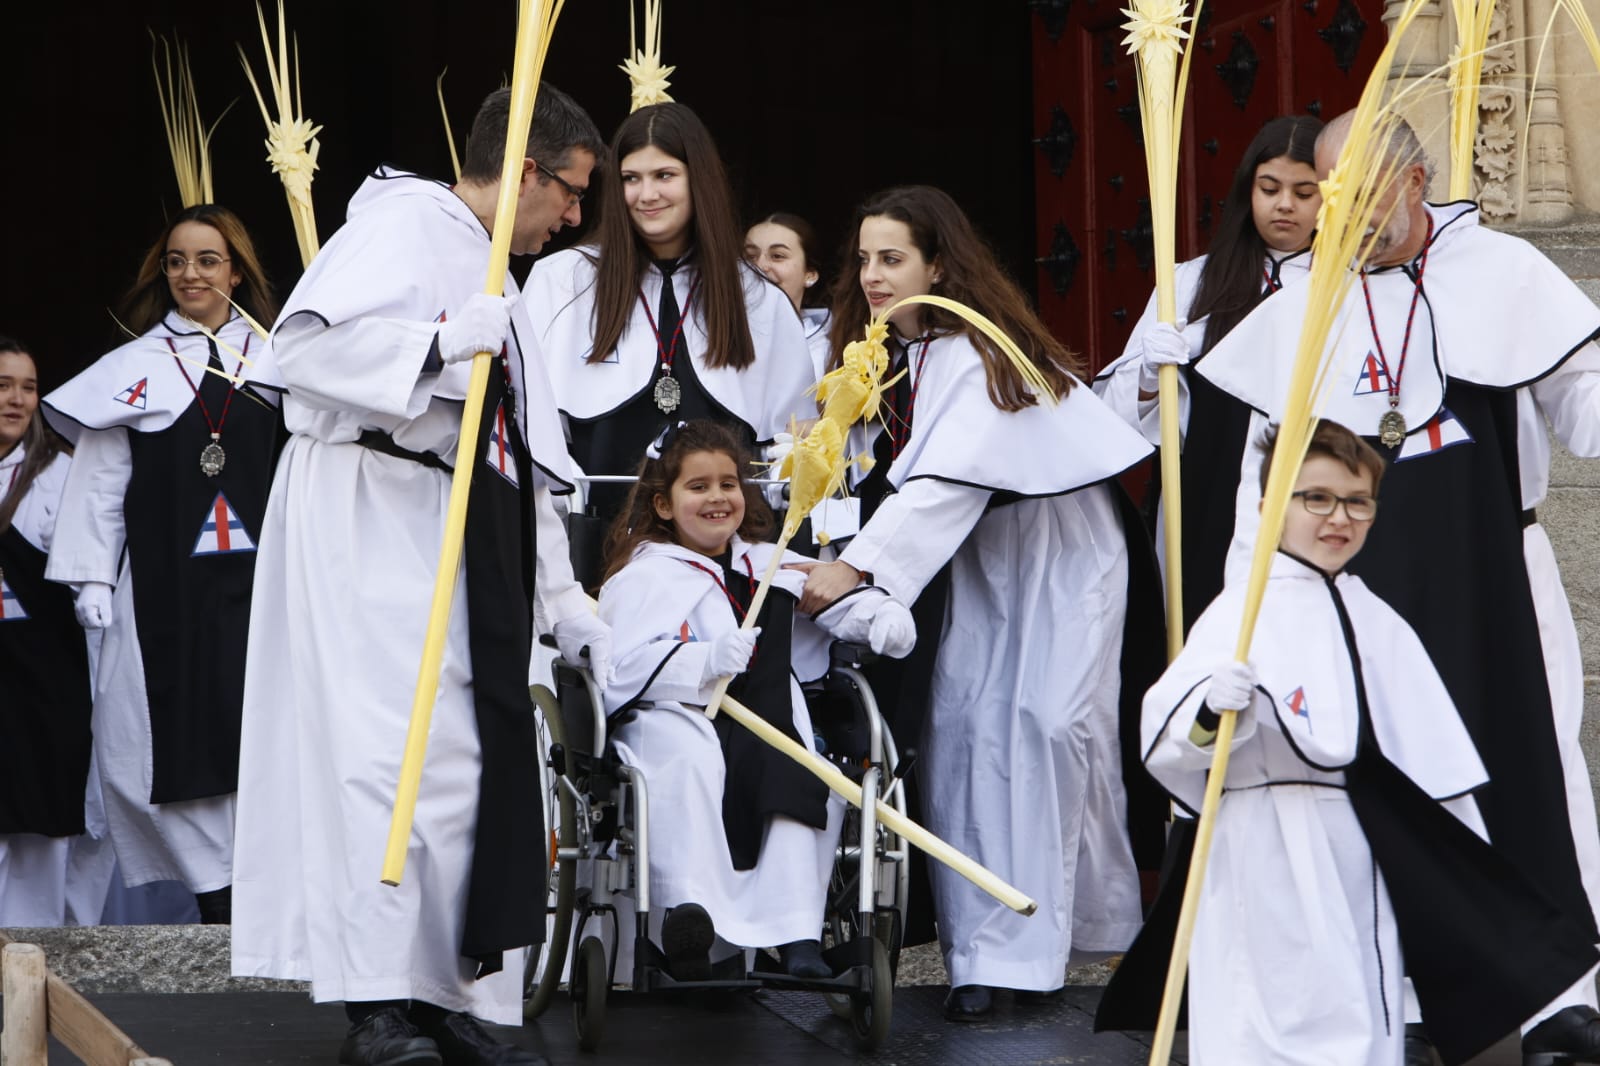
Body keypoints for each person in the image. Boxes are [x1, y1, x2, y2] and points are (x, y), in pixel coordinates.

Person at [1198, 110, 1600, 1064]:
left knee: (1532, 764)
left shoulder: (1500, 275)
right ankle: (1413, 993)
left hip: (1498, 569)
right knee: (1386, 780)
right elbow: (1266, 476)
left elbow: (1583, 395)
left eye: (1360, 192)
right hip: (1355, 587)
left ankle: (1560, 995)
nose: (1341, 214)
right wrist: (1238, 625)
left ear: (1416, 183)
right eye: (1329, 193)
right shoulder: (1302, 303)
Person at [230, 85, 609, 1066]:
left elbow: (525, 445)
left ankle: (443, 989)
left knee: (455, 761)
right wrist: (439, 346)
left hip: (452, 514)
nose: (572, 218)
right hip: (366, 507)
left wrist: (559, 593)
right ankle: (376, 1002)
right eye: (569, 192)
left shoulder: (496, 274)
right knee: (377, 754)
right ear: (526, 169)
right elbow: (301, 352)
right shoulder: (403, 223)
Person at [1124, 420, 1597, 1066]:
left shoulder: (1377, 619)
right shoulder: (1242, 611)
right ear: (1270, 508)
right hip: (1261, 847)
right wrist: (1208, 711)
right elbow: (1174, 744)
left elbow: (1433, 772)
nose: (1337, 518)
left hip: (1355, 852)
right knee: (1257, 1013)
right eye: (1315, 498)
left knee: (1355, 1013)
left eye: (1357, 502)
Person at [795, 185, 1158, 1020]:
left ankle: (1058, 935)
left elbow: (945, 484)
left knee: (1048, 727)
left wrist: (860, 570)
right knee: (962, 731)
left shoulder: (972, 349)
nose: (874, 276)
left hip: (1060, 558)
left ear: (939, 264)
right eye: (865, 259)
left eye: (893, 259)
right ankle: (982, 956)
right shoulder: (892, 355)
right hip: (981, 564)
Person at [597, 418, 913, 979]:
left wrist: (879, 616)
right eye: (698, 487)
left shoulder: (768, 561)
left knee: (798, 770)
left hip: (765, 715)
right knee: (692, 761)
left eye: (728, 484)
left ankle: (797, 935)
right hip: (677, 715)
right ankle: (691, 915)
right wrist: (702, 662)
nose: (717, 497)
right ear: (664, 505)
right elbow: (619, 670)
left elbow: (830, 596)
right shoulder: (645, 575)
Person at [41, 205, 280, 925]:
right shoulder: (136, 369)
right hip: (165, 597)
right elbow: (102, 481)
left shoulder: (279, 359)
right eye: (177, 261)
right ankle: (217, 894)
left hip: (268, 593)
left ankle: (270, 880)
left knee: (265, 730)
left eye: (207, 260)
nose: (190, 275)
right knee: (151, 736)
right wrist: (89, 575)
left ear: (236, 269)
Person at [526, 102, 814, 543]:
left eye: (664, 176)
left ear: (698, 178)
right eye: (630, 178)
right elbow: (527, 419)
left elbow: (792, 444)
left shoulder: (758, 297)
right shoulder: (562, 280)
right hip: (592, 543)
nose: (647, 195)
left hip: (723, 551)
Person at [1094, 114, 1322, 631]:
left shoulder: (1351, 290)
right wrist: (1151, 374)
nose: (1284, 204)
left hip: (1309, 490)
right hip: (1207, 491)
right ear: (1249, 192)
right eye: (1270, 188)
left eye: (1304, 191)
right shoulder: (1190, 284)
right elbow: (1118, 418)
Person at [0, 338, 116, 926]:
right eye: (3, 385)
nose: (17, 399)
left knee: (41, 842)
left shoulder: (64, 477)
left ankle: (30, 998)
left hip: (43, 697)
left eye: (28, 386)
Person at [745, 212, 832, 379]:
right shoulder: (710, 335)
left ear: (810, 274)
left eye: (777, 256)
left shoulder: (837, 346)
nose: (761, 266)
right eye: (750, 257)